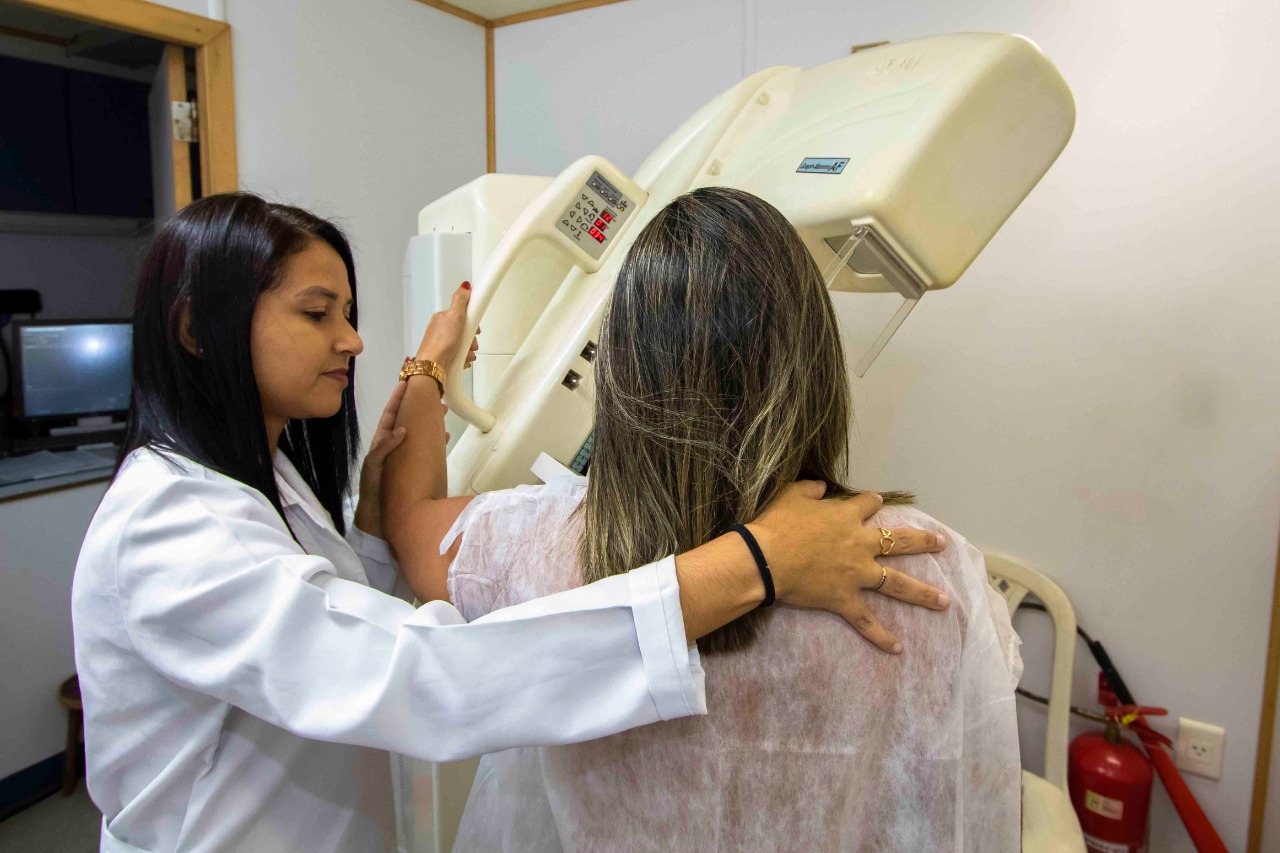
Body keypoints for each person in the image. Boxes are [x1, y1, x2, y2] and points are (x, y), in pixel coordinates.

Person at [71, 192, 953, 853]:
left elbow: (364, 587)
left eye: (348, 313)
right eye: (317, 313)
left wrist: (427, 376)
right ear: (197, 328)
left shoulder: (267, 482)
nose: (351, 341)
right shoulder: (168, 530)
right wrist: (754, 562)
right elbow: (409, 667)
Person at [384, 188, 1023, 851]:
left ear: (626, 372)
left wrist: (431, 363)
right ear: (813, 363)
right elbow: (976, 806)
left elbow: (407, 522)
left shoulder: (538, 547)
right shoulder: (923, 564)